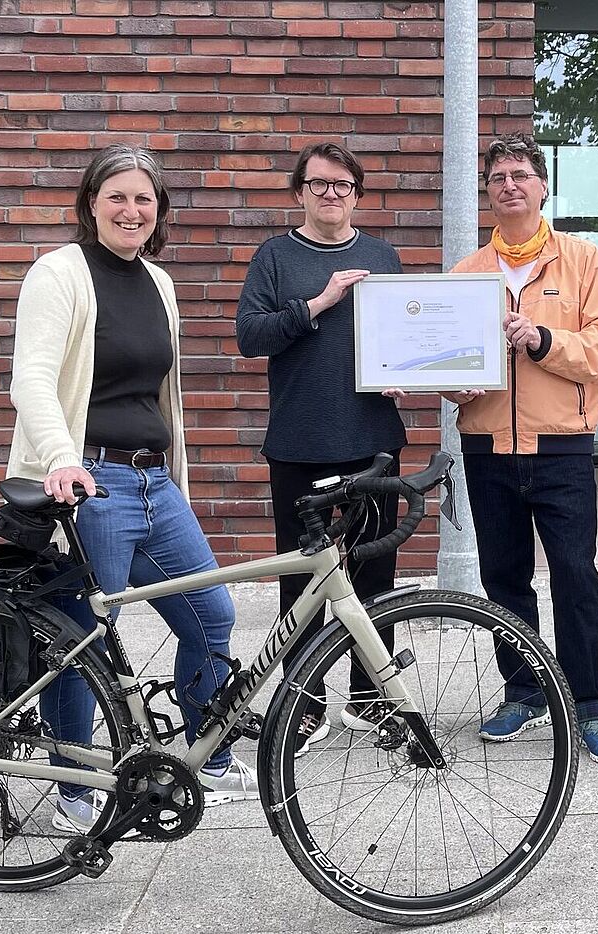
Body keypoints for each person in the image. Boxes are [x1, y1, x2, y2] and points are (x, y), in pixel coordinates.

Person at [7, 144, 255, 834]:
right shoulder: (58, 274)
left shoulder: (158, 281)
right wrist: (60, 458)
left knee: (211, 615)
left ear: (159, 211)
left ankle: (205, 754)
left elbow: (160, 390)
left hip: (152, 481)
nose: (130, 209)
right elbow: (31, 378)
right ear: (91, 203)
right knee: (81, 637)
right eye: (116, 195)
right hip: (89, 479)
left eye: (144, 198)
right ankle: (75, 787)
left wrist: (175, 478)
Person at [445, 133, 598, 764]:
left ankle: (591, 704)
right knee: (505, 579)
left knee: (576, 577)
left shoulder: (583, 262)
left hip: (562, 449)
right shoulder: (467, 274)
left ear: (543, 186)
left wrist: (545, 340)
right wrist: (451, 381)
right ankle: (522, 691)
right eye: (498, 176)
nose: (509, 185)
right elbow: (442, 362)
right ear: (488, 192)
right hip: (488, 449)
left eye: (521, 174)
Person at [235, 142, 406, 754]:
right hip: (299, 441)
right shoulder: (276, 257)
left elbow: (406, 331)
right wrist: (318, 303)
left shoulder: (382, 254)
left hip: (373, 439)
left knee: (374, 572)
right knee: (301, 579)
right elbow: (249, 337)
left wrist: (407, 370)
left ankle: (372, 697)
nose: (330, 194)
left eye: (342, 185)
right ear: (299, 192)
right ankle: (303, 706)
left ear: (357, 194)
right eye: (318, 184)